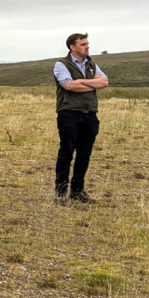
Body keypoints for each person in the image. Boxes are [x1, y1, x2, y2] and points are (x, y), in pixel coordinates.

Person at [53, 33, 108, 204]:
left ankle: (78, 190)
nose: (87, 46)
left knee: (84, 153)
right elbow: (69, 85)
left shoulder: (91, 63)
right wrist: (92, 83)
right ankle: (60, 191)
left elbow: (104, 82)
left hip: (90, 114)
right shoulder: (61, 64)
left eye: (87, 43)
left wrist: (82, 83)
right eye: (83, 44)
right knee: (66, 152)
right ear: (72, 47)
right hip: (69, 113)